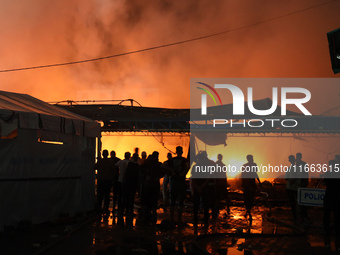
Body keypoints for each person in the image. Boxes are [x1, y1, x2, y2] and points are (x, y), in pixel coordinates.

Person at [191, 151, 216, 228]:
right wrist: (202, 186)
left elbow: (193, 178)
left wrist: (197, 187)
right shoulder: (207, 166)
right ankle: (205, 220)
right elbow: (208, 178)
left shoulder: (195, 167)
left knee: (196, 204)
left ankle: (196, 219)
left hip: (198, 188)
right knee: (205, 204)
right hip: (205, 188)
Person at [140, 151, 164, 225]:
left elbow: (140, 169)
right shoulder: (159, 164)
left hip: (147, 184)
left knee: (146, 201)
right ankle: (153, 217)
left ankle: (145, 218)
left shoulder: (146, 164)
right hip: (154, 184)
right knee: (154, 201)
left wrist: (145, 177)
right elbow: (163, 172)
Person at [169, 146, 190, 227]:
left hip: (174, 182)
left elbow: (163, 165)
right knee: (180, 202)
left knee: (173, 201)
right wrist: (184, 172)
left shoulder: (172, 160)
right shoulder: (184, 160)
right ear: (181, 152)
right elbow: (188, 166)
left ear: (176, 151)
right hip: (180, 182)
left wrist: (172, 171)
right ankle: (179, 220)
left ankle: (172, 220)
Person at [323, 159, 340, 250]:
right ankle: (337, 232)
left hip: (329, 197)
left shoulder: (328, 173)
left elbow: (324, 182)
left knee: (327, 216)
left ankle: (327, 232)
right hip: (337, 198)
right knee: (337, 216)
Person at [241, 154, 261, 222]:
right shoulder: (252, 165)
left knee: (248, 198)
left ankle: (248, 210)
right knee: (249, 198)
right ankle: (248, 211)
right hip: (249, 184)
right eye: (251, 158)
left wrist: (259, 181)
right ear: (249, 159)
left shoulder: (245, 166)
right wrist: (259, 181)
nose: (252, 159)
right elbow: (254, 173)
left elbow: (254, 173)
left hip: (249, 184)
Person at [121, 153, 140, 227]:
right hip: (133, 184)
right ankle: (130, 211)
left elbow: (125, 174)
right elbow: (138, 176)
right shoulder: (137, 166)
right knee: (131, 198)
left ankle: (124, 211)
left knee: (125, 197)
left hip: (127, 183)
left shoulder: (129, 165)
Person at [94, 150, 115, 215]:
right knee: (107, 195)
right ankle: (106, 208)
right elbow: (113, 171)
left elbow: (95, 167)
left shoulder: (100, 161)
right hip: (108, 180)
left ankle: (99, 208)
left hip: (101, 180)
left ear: (103, 154)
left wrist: (98, 160)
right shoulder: (111, 161)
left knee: (100, 195)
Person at [115, 151, 131, 224]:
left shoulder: (120, 162)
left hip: (120, 180)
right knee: (127, 196)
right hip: (128, 181)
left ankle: (120, 210)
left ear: (124, 156)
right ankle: (127, 210)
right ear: (129, 156)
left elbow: (115, 166)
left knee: (120, 195)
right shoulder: (131, 163)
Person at [296, 152, 309, 223]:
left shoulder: (303, 164)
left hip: (302, 182)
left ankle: (303, 214)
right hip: (300, 182)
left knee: (301, 198)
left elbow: (306, 173)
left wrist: (306, 181)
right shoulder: (298, 164)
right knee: (300, 198)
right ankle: (302, 214)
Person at [285, 155, 298, 222]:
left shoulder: (290, 168)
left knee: (293, 203)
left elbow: (286, 178)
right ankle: (296, 216)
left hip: (291, 188)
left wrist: (290, 181)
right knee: (295, 203)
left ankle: (295, 216)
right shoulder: (297, 168)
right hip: (294, 188)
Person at [110, 150, 121, 216]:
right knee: (117, 192)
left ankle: (108, 206)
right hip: (117, 178)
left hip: (109, 177)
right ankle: (117, 205)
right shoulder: (119, 160)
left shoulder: (109, 160)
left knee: (107, 191)